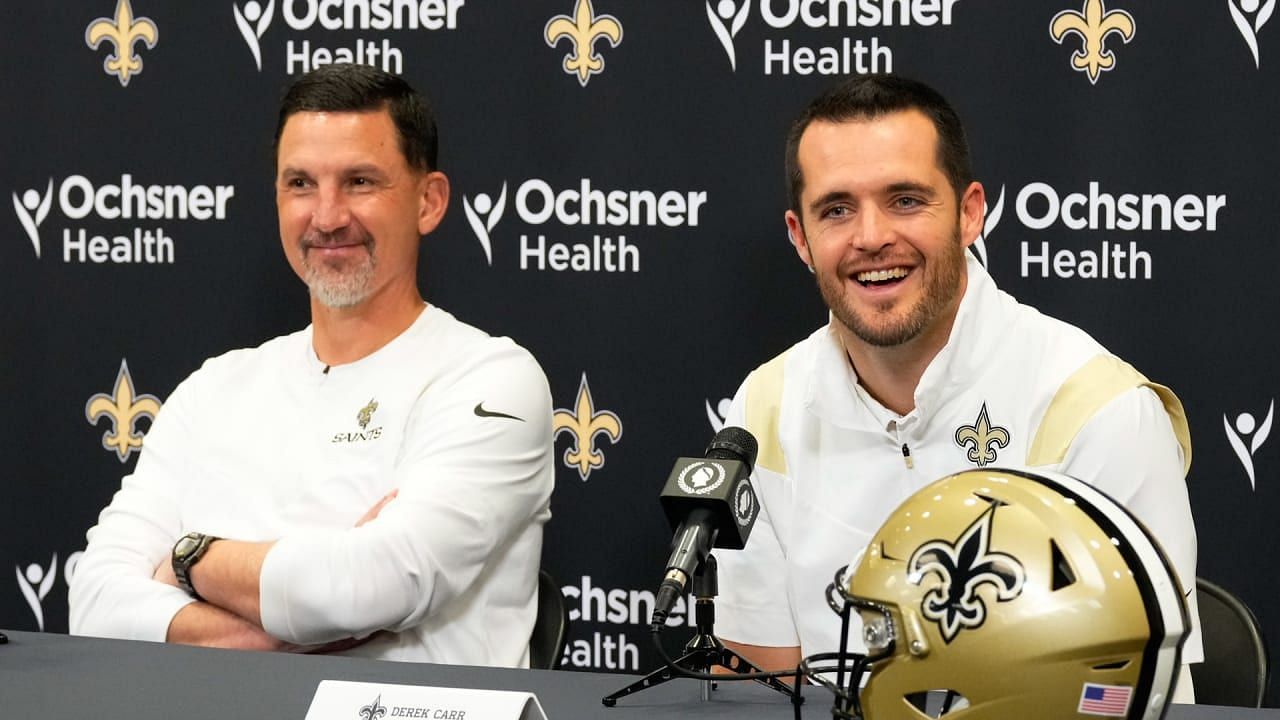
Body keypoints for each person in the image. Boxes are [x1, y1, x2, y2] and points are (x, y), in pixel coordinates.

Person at [713, 74, 1201, 696]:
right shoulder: (763, 406)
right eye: (837, 209)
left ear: (970, 213)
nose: (870, 237)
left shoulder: (1100, 410)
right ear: (800, 238)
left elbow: (1133, 697)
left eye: (906, 200)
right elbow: (756, 690)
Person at [69, 64, 554, 668]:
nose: (327, 217)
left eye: (359, 181)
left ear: (428, 202)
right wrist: (282, 629)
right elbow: (93, 599)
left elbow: (376, 584)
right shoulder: (215, 387)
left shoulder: (490, 377)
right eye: (300, 183)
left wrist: (191, 558)